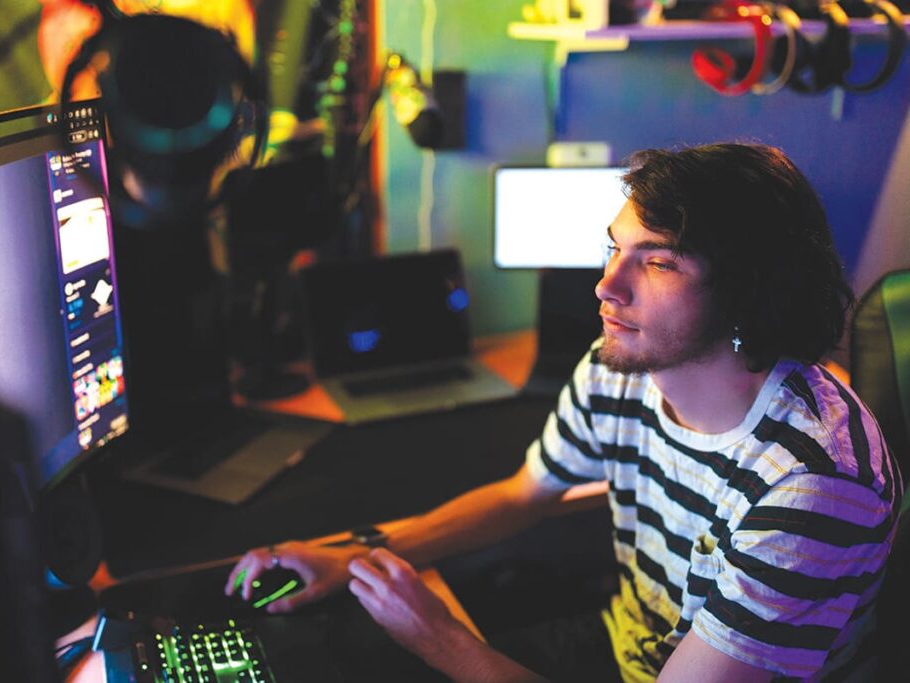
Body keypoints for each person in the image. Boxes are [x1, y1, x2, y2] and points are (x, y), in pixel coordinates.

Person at [226, 143, 902, 682]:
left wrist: (441, 637)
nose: (607, 285)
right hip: (623, 646)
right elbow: (523, 494)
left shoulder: (813, 485)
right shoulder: (619, 368)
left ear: (749, 292)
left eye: (657, 262)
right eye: (614, 246)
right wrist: (353, 558)